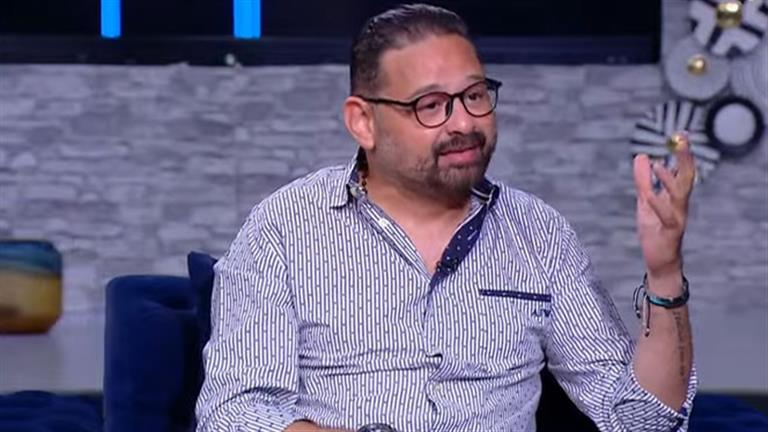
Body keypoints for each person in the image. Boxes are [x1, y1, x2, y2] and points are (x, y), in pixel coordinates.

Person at [195, 4, 697, 432]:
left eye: (475, 96)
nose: (463, 123)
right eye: (430, 105)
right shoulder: (285, 227)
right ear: (363, 121)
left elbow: (641, 420)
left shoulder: (538, 233)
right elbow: (234, 414)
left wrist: (665, 273)